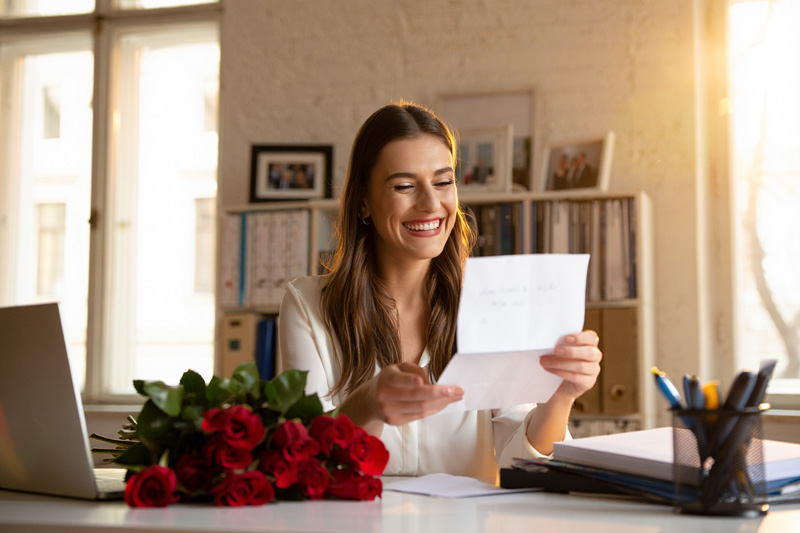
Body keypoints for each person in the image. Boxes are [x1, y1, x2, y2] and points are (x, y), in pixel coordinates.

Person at [278, 102, 602, 480]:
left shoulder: (491, 304)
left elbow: (523, 466)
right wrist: (366, 405)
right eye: (404, 186)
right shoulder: (307, 305)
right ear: (364, 201)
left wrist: (560, 394)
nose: (431, 204)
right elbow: (307, 466)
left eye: (443, 182)